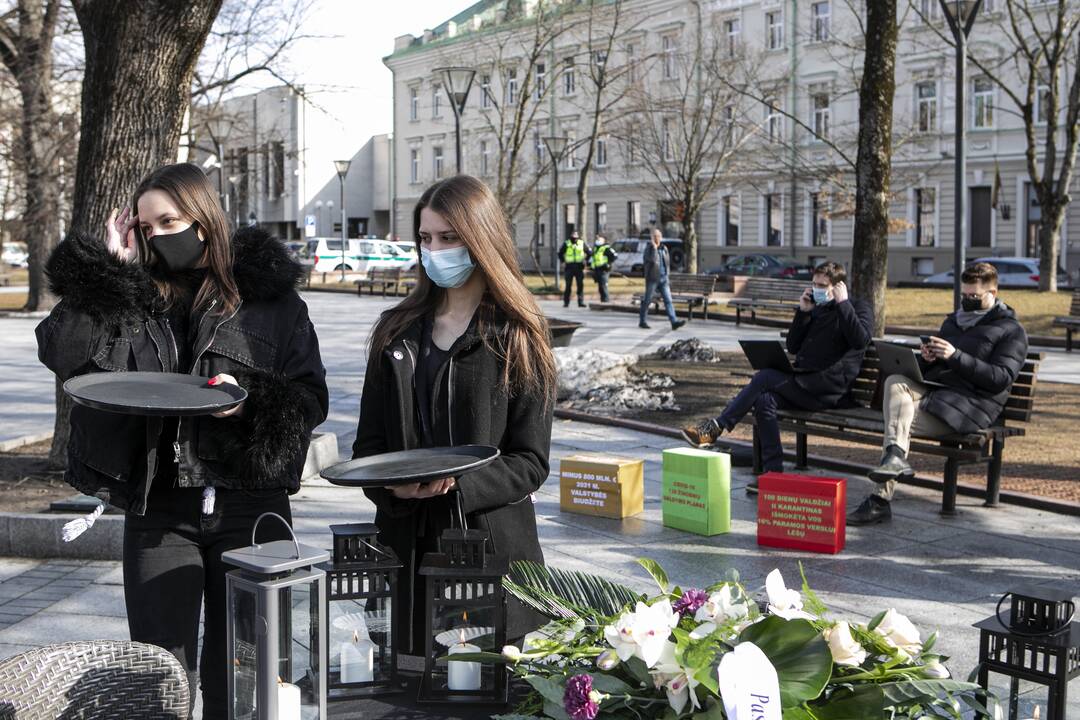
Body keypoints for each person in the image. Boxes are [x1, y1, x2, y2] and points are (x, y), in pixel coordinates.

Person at [35, 163, 328, 718]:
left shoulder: (269, 300)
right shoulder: (129, 297)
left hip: (251, 507)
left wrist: (250, 404)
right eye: (145, 228)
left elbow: (310, 399)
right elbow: (63, 354)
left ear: (203, 219)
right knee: (160, 675)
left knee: (246, 673)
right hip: (159, 510)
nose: (156, 236)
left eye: (167, 221)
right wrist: (105, 274)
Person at [354, 174, 557, 654]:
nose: (434, 250)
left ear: (480, 240)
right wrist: (391, 484)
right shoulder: (396, 332)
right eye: (425, 238)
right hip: (406, 551)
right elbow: (368, 448)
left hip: (490, 555)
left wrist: (455, 484)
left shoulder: (519, 334)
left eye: (449, 238)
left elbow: (530, 460)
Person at [848, 262, 1029, 525]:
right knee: (897, 382)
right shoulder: (953, 323)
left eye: (974, 297)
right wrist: (928, 359)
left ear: (993, 292)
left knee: (897, 424)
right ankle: (895, 459)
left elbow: (999, 379)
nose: (967, 301)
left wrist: (955, 356)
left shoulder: (1012, 331)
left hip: (970, 408)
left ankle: (879, 500)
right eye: (964, 295)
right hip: (941, 397)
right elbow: (940, 369)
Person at [681, 262, 872, 491]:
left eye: (822, 285)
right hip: (805, 385)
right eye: (814, 283)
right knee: (764, 401)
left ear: (838, 287)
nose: (816, 289)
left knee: (766, 377)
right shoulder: (816, 307)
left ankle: (716, 427)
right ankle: (773, 475)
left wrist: (843, 303)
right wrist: (803, 313)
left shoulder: (856, 307)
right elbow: (792, 346)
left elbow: (860, 340)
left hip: (828, 390)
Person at [639, 228, 686, 331]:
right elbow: (651, 260)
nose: (657, 238)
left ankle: (674, 322)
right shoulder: (649, 249)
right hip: (652, 278)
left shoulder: (664, 248)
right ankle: (642, 321)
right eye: (655, 236)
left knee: (668, 300)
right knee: (647, 300)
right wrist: (654, 248)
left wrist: (667, 275)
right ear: (652, 238)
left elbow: (667, 263)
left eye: (658, 236)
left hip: (664, 279)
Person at [560, 230, 588, 307]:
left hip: (579, 267)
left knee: (580, 285)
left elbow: (589, 252)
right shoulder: (567, 243)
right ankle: (566, 302)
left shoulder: (582, 243)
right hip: (569, 267)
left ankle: (581, 302)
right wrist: (563, 261)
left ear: (578, 236)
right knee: (568, 285)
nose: (574, 238)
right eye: (573, 235)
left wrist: (586, 262)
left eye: (576, 236)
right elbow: (560, 253)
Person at [589, 234, 617, 302]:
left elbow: (614, 256)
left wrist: (608, 264)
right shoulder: (596, 248)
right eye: (597, 238)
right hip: (597, 269)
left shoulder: (606, 248)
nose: (598, 239)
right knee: (600, 287)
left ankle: (606, 301)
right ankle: (603, 301)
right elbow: (593, 258)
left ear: (604, 240)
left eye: (600, 238)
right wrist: (591, 266)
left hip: (604, 270)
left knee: (604, 286)